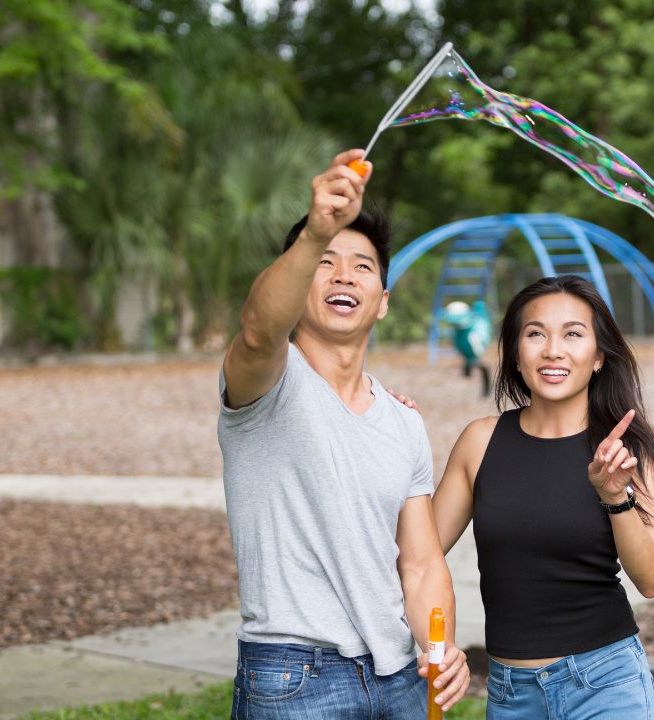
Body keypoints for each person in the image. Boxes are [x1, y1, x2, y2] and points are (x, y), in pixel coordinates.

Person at [218, 149, 469, 719]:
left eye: (362, 266)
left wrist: (439, 649)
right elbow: (258, 331)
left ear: (382, 302)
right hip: (294, 677)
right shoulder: (268, 384)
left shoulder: (404, 421)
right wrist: (315, 232)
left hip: (400, 678)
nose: (343, 275)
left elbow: (422, 563)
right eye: (324, 263)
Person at [432, 275, 654, 719]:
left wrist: (614, 496)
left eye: (573, 334)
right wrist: (388, 429)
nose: (552, 350)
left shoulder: (627, 450)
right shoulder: (479, 442)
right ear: (516, 354)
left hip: (606, 684)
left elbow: (650, 579)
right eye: (535, 333)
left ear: (599, 356)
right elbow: (418, 552)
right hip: (510, 694)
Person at [443, 300, 493, 397]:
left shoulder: (475, 329)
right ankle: (470, 377)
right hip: (470, 352)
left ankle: (486, 392)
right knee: (475, 366)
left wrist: (478, 352)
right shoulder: (459, 331)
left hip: (476, 351)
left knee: (482, 367)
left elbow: (479, 345)